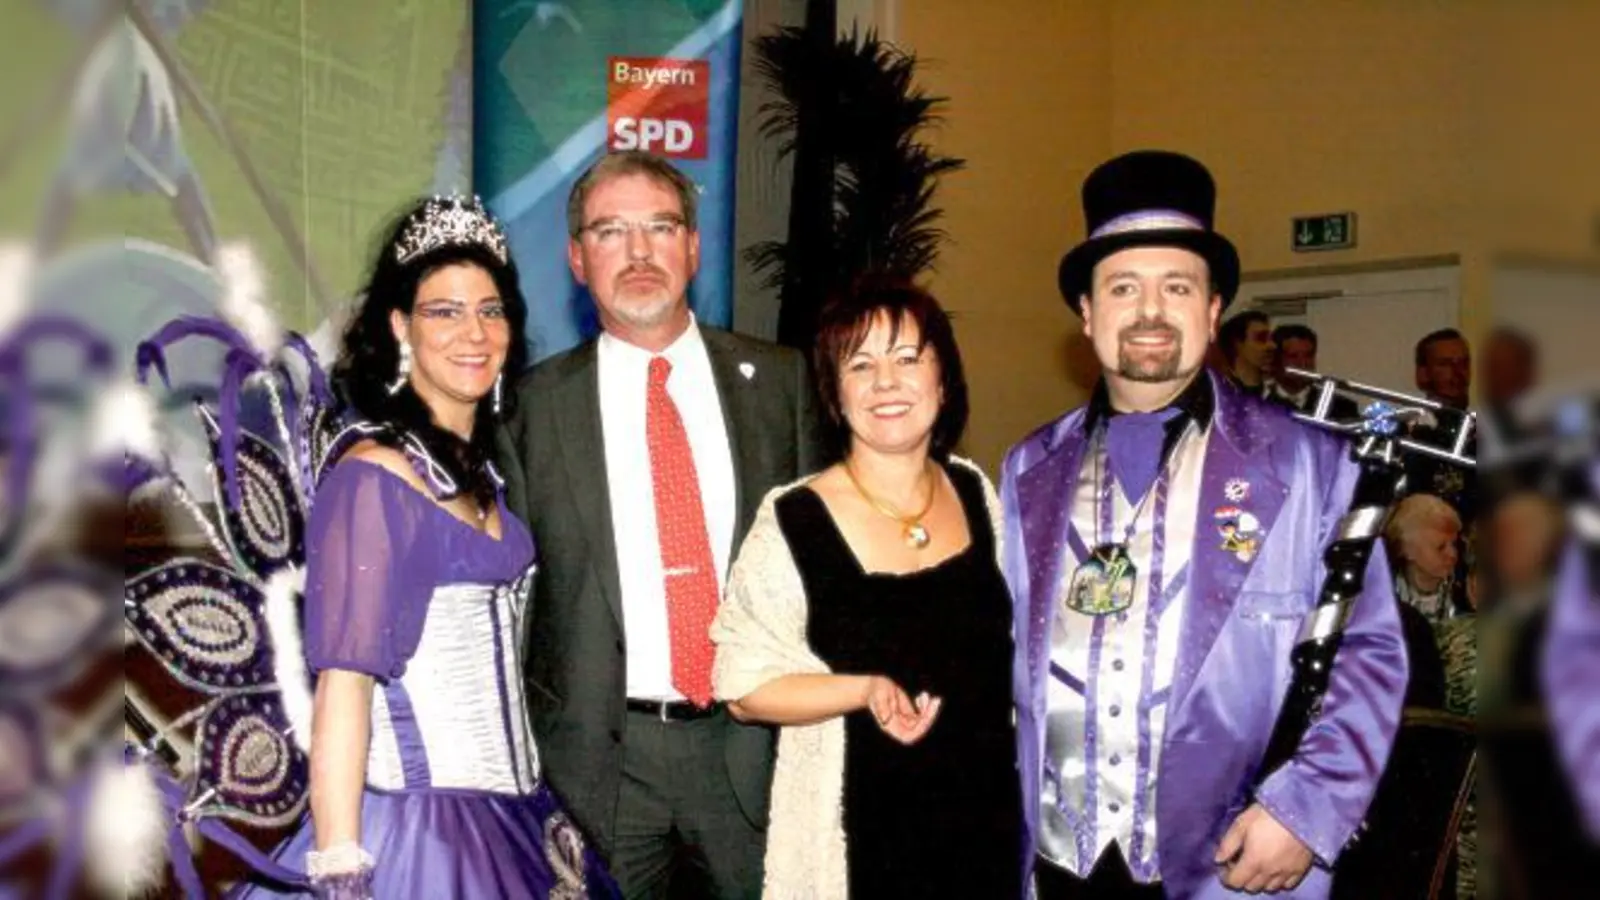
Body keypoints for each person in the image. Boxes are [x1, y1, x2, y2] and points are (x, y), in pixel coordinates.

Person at [1002, 150, 1408, 899]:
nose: (1150, 311)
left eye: (1177, 287)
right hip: (1056, 867)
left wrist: (1306, 812)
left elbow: (1371, 653)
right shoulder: (1026, 470)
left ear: (1213, 311)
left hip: (1234, 868)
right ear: (1088, 315)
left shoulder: (1310, 465)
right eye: (1123, 287)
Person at [231, 195, 617, 897]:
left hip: (524, 821)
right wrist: (341, 863)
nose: (474, 332)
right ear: (400, 325)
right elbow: (344, 684)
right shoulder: (374, 476)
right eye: (445, 310)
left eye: (491, 310)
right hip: (420, 837)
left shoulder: (481, 474)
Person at [498, 150, 825, 899]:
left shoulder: (782, 384)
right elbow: (517, 604)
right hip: (599, 768)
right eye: (611, 232)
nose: (639, 252)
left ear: (694, 246)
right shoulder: (529, 410)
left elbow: (825, 573)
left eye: (661, 227)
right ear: (578, 259)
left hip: (753, 748)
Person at [711, 278, 1022, 898]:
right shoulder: (793, 519)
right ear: (836, 393)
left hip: (986, 825)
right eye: (861, 364)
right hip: (862, 839)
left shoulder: (976, 492)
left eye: (908, 359)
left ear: (943, 379)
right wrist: (863, 689)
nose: (886, 382)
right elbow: (742, 688)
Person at [1384, 493, 1467, 626]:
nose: (1452, 554)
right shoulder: (1385, 594)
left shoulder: (1466, 590)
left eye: (1454, 543)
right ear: (1407, 550)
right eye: (1440, 547)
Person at [1265, 324, 1360, 420]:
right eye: (1293, 356)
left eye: (1309, 355)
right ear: (1275, 360)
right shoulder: (1259, 403)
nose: (1303, 363)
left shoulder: (1342, 408)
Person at [1217, 309, 1274, 395]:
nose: (1272, 345)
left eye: (1271, 339)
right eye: (1261, 338)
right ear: (1237, 343)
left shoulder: (1278, 403)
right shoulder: (1219, 398)